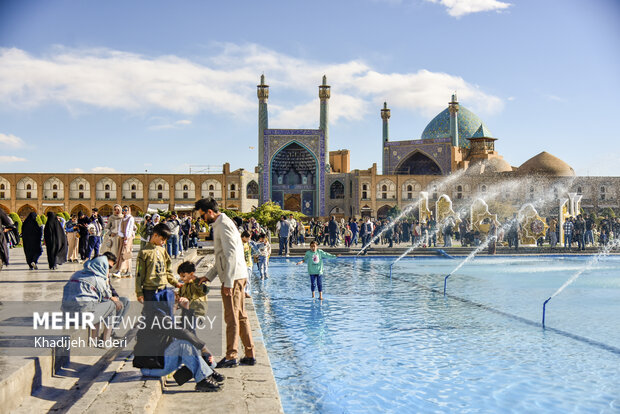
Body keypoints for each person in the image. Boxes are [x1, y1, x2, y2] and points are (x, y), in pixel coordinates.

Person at [194, 197, 256, 368]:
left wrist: (228, 282)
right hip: (237, 275)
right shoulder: (222, 223)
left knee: (232, 318)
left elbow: (231, 255)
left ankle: (232, 356)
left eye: (202, 216)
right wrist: (208, 275)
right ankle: (250, 354)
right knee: (241, 316)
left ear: (210, 212)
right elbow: (222, 256)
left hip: (233, 278)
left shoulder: (224, 225)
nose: (202, 219)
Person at [134, 296, 223, 392]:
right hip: (151, 368)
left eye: (177, 306)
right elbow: (182, 333)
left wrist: (186, 309)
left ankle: (206, 371)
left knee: (190, 342)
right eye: (174, 305)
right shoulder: (156, 317)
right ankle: (203, 379)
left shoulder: (164, 316)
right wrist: (204, 348)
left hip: (161, 362)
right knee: (183, 344)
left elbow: (188, 332)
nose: (175, 309)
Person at [61, 253, 123, 338]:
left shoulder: (77, 274)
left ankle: (95, 339)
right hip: (83, 317)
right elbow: (106, 299)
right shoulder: (98, 279)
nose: (108, 270)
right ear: (103, 266)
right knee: (111, 305)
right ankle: (105, 340)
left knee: (95, 304)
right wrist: (114, 300)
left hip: (67, 316)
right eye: (108, 267)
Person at [135, 223, 181, 318]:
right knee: (150, 315)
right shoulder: (144, 252)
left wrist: (175, 282)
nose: (164, 242)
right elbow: (139, 274)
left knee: (165, 313)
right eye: (162, 239)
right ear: (155, 235)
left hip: (162, 288)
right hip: (149, 290)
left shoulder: (162, 250)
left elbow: (168, 269)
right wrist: (139, 292)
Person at [177, 261, 209, 327]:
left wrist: (196, 281)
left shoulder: (199, 283)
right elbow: (180, 298)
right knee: (183, 331)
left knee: (189, 330)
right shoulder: (184, 286)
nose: (182, 279)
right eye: (180, 277)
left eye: (183, 276)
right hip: (186, 313)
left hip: (197, 313)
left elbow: (204, 290)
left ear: (191, 274)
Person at [114, 206, 135, 277]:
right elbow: (120, 228)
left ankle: (119, 270)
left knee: (124, 253)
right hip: (122, 237)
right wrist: (121, 235)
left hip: (127, 238)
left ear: (129, 210)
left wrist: (126, 238)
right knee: (125, 253)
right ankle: (128, 271)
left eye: (126, 210)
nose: (124, 211)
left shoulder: (130, 218)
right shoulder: (123, 218)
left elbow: (129, 228)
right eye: (123, 210)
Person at [240, 231, 254, 299]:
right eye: (248, 238)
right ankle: (242, 291)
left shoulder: (249, 243)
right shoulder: (239, 243)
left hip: (249, 263)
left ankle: (246, 292)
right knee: (242, 279)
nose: (249, 239)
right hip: (242, 264)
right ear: (244, 237)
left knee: (248, 279)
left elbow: (255, 248)